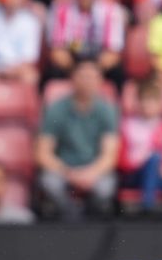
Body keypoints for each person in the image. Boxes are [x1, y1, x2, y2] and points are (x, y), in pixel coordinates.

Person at [36, 59, 119, 220]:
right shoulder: (56, 109)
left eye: (92, 77)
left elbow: (109, 155)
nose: (87, 82)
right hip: (63, 169)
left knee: (105, 188)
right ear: (72, 79)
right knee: (49, 183)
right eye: (83, 76)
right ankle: (72, 220)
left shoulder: (107, 110)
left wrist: (91, 173)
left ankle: (90, 221)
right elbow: (42, 153)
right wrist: (68, 173)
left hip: (94, 170)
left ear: (100, 81)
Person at [117, 81, 162, 220]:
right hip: (134, 174)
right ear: (138, 102)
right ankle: (148, 207)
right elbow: (125, 158)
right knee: (154, 158)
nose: (147, 105)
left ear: (160, 104)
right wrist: (148, 160)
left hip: (161, 174)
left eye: (152, 101)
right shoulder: (127, 125)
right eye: (144, 101)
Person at [45, 0, 125, 82]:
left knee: (117, 75)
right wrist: (76, 71)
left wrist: (92, 72)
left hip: (99, 60)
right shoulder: (59, 10)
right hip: (71, 59)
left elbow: (113, 53)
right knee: (52, 74)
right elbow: (57, 51)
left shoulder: (112, 11)